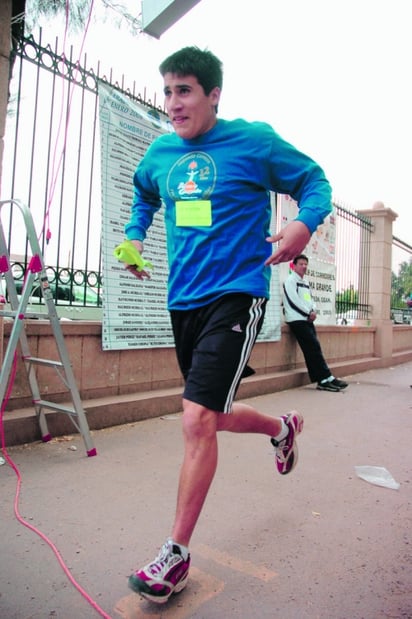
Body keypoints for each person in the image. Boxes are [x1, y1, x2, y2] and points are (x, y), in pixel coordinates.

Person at [122, 46, 333, 604]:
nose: (173, 103)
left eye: (184, 90)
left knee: (194, 420)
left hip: (237, 296)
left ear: (214, 94)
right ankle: (281, 429)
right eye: (167, 91)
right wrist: (134, 235)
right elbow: (144, 195)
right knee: (208, 415)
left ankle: (175, 555)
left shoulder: (254, 141)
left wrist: (302, 226)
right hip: (182, 301)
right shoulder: (162, 153)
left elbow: (315, 182)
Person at [283, 254, 348, 392]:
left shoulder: (305, 282)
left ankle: (326, 379)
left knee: (314, 349)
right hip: (297, 320)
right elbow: (293, 301)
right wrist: (308, 313)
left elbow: (310, 300)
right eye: (301, 264)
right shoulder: (290, 281)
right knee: (312, 348)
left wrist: (313, 310)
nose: (304, 266)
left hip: (306, 319)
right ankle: (324, 379)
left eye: (306, 264)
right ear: (294, 265)